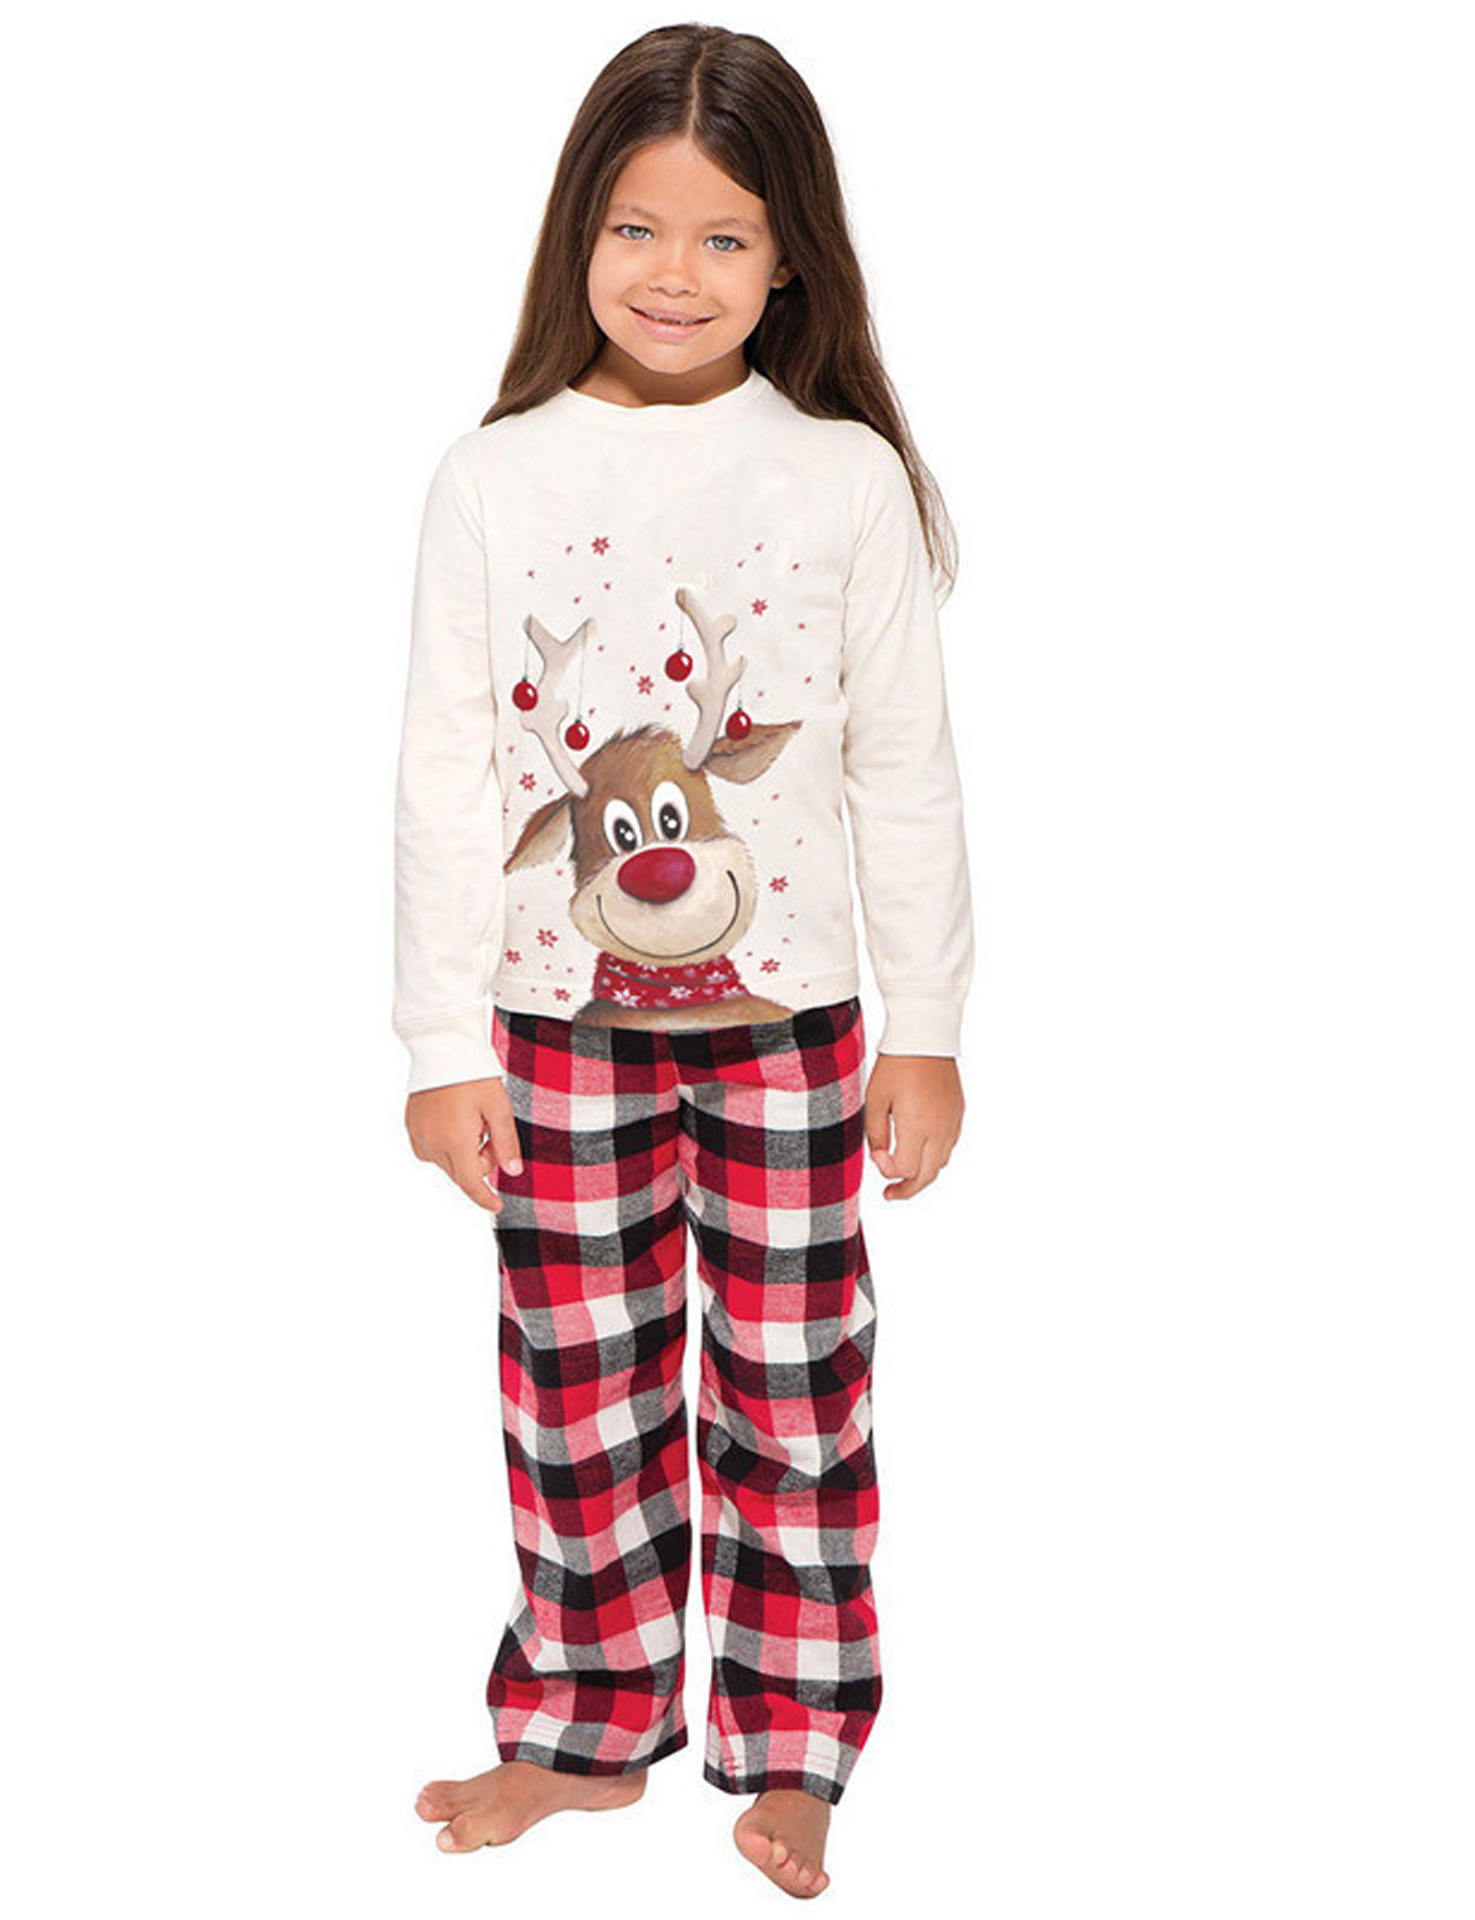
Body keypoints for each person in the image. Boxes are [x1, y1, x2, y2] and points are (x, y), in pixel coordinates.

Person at [393, 23, 973, 1900]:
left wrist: (927, 1026)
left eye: (724, 237)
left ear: (790, 256)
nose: (673, 273)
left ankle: (792, 1746)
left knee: (794, 1387)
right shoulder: (493, 476)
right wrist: (438, 1041)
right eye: (637, 227)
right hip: (551, 1031)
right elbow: (445, 772)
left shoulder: (844, 479)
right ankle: (582, 1724)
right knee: (581, 1390)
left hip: (791, 1027)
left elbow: (902, 769)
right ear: (579, 229)